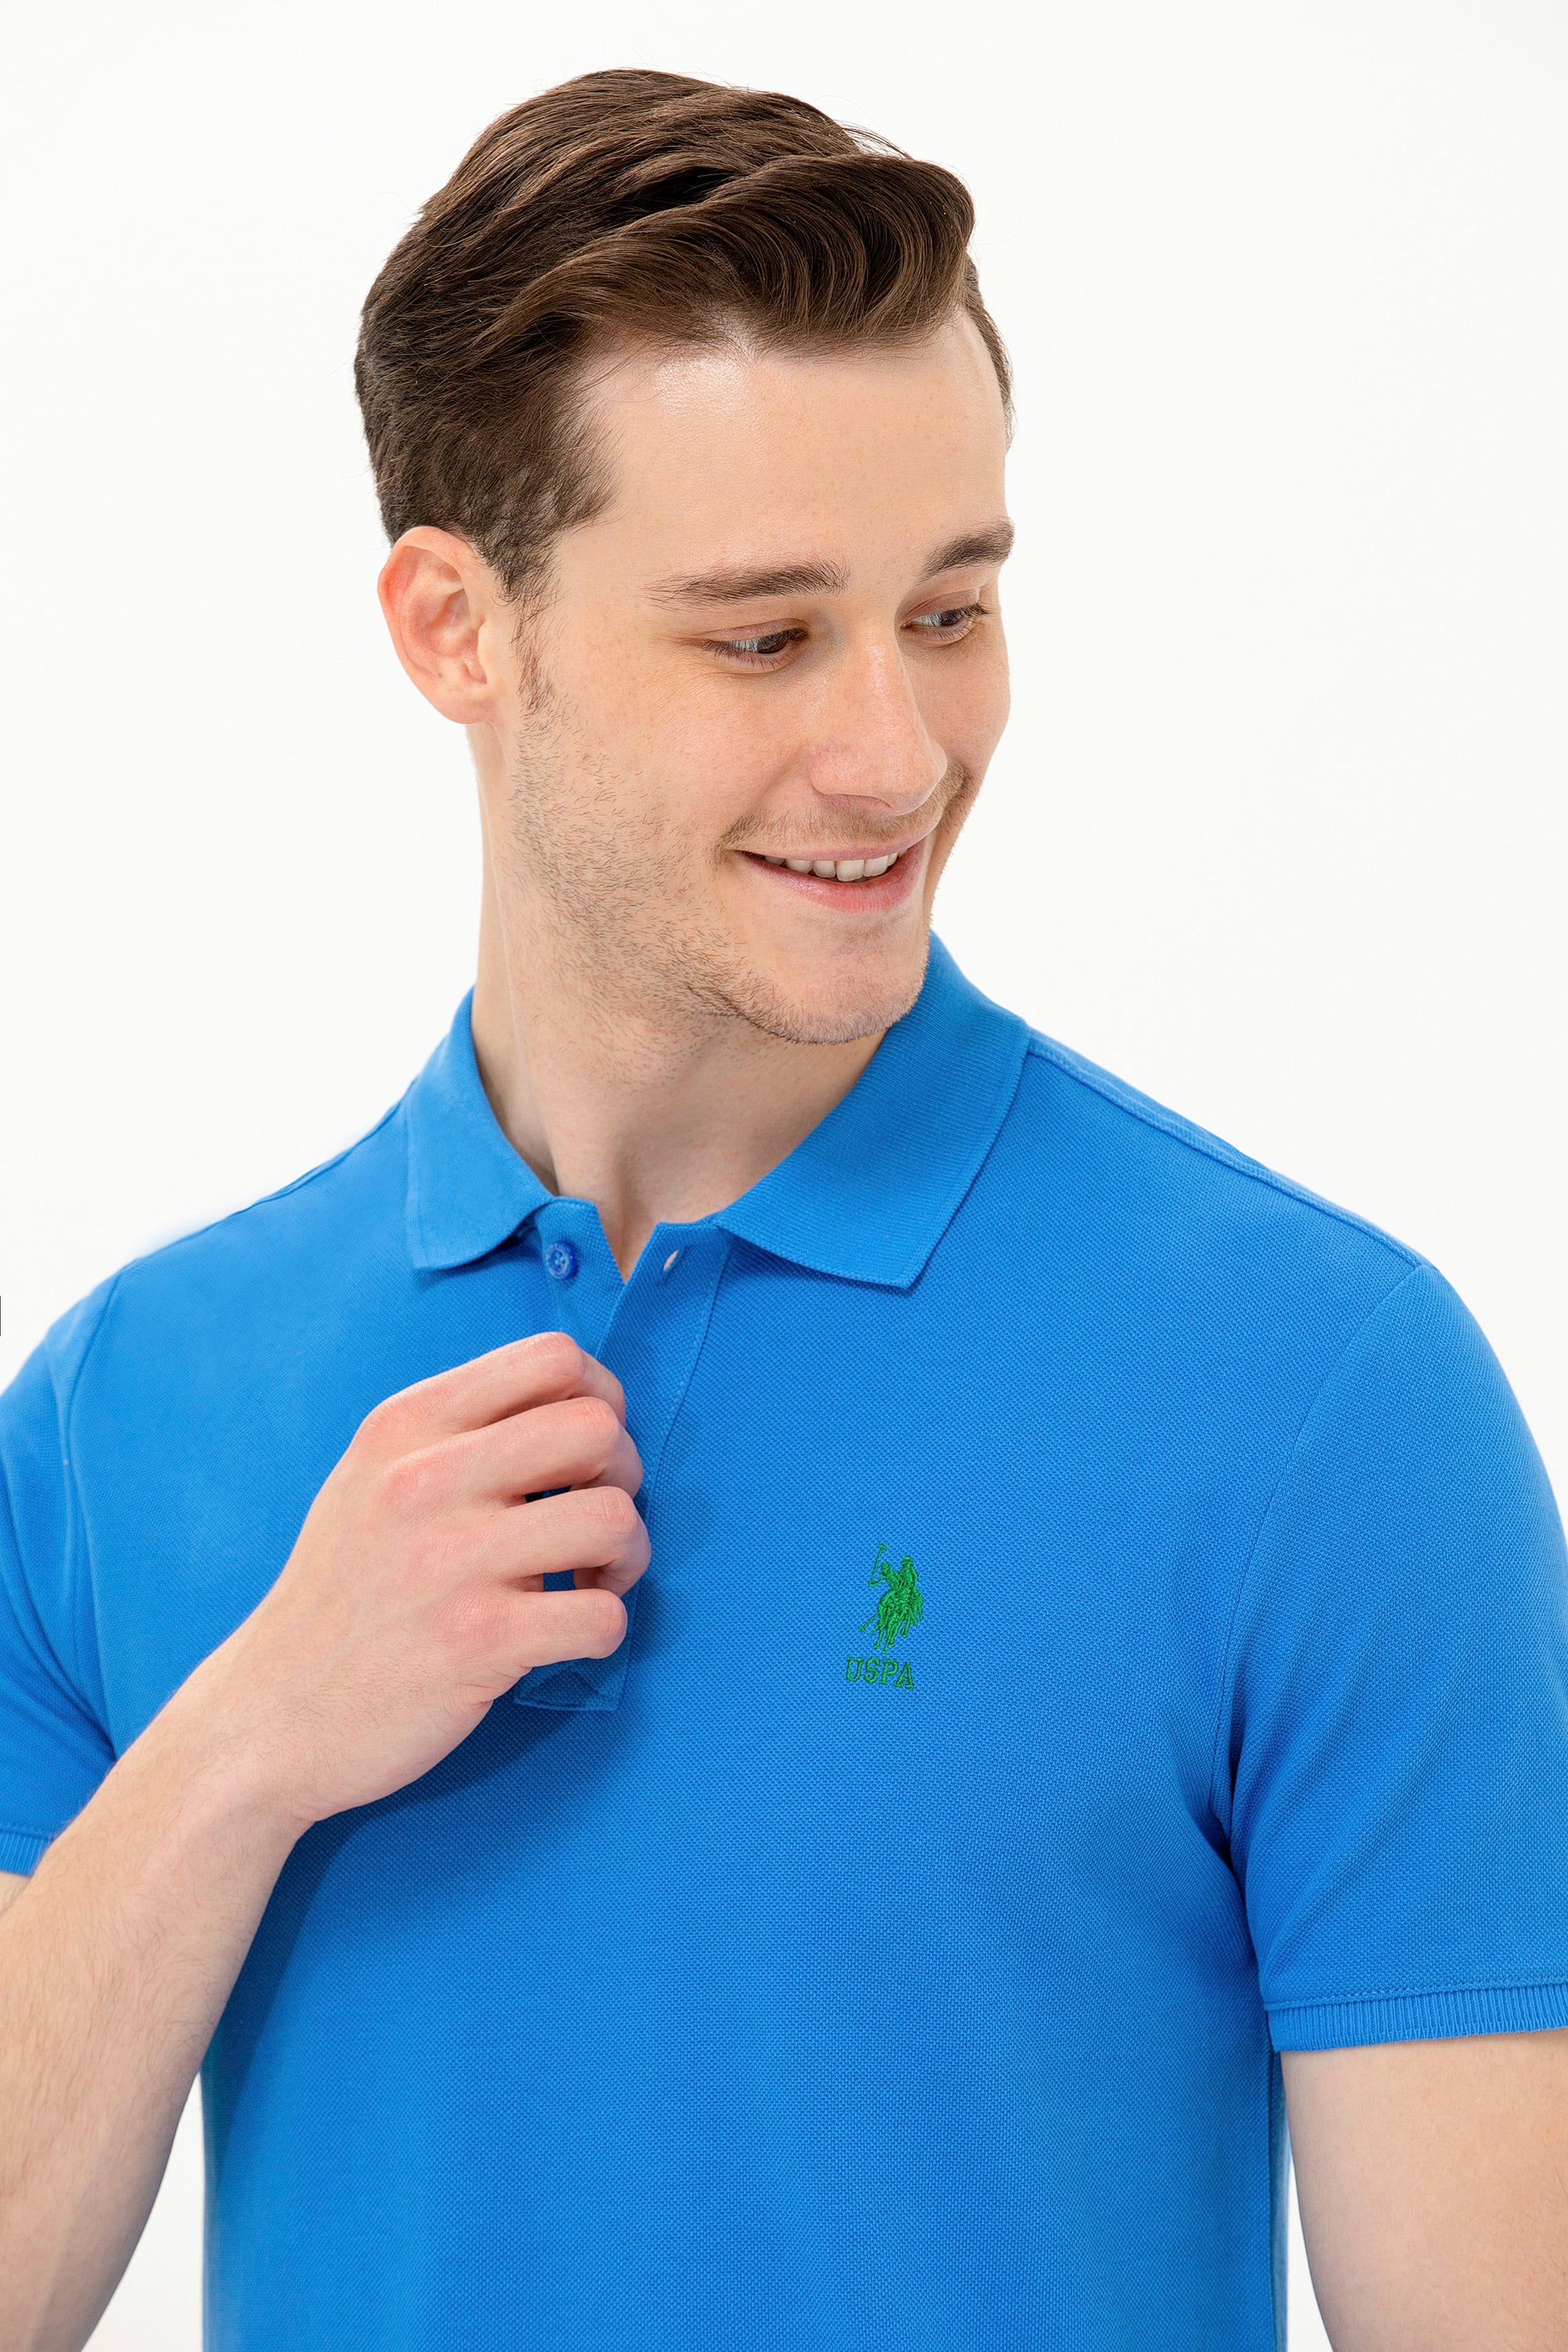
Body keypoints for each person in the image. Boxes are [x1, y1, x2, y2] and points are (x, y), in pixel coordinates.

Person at [1, 66, 1564, 2352]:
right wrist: (246, 1744)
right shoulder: (124, 1409)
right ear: (453, 627)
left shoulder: (1320, 1395)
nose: (896, 755)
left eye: (949, 609)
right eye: (763, 637)